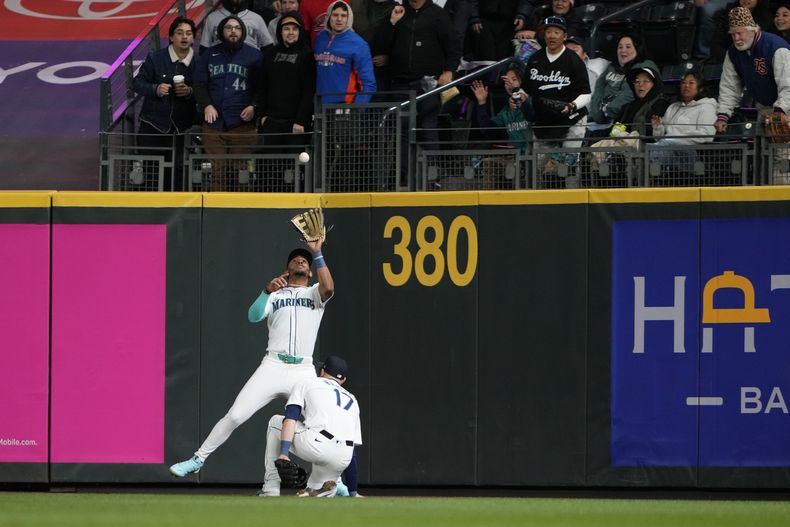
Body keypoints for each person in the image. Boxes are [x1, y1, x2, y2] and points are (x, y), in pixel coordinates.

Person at [170, 242, 334, 477]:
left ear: (310, 271)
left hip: (303, 369)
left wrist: (317, 253)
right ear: (286, 269)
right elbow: (253, 316)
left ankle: (332, 477)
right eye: (295, 259)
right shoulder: (274, 295)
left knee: (321, 421)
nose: (300, 260)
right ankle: (198, 459)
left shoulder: (314, 293)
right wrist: (265, 292)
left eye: (305, 261)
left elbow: (328, 288)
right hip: (273, 366)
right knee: (235, 415)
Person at [259, 355, 362, 497]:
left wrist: (283, 453)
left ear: (322, 371)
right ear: (343, 380)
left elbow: (290, 419)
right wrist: (353, 492)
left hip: (316, 445)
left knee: (275, 422)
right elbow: (353, 451)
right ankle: (325, 490)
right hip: (343, 457)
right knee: (313, 488)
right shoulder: (352, 399)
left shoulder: (307, 383)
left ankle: (271, 488)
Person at [714, 6, 790, 184]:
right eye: (732, 34)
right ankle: (765, 200)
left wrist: (781, 110)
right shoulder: (733, 52)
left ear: (752, 30)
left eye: (739, 33)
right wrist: (723, 115)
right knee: (761, 157)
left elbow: (788, 84)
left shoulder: (776, 47)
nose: (736, 38)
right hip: (763, 109)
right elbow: (729, 86)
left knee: (783, 157)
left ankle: (783, 202)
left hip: (786, 109)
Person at [193, 16, 263, 191]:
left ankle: (238, 213)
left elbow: (263, 86)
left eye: (237, 28)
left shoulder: (255, 55)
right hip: (213, 125)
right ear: (221, 32)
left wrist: (254, 106)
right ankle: (217, 212)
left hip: (242, 124)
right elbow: (199, 84)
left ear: (243, 32)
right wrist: (206, 105)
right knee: (218, 172)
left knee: (240, 173)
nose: (233, 31)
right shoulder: (210, 54)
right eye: (229, 28)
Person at [520, 15, 590, 187]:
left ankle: (574, 198)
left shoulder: (573, 60)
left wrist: (573, 105)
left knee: (569, 164)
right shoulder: (535, 59)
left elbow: (586, 94)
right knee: (538, 166)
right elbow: (525, 89)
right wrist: (519, 96)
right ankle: (539, 199)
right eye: (548, 32)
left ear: (564, 36)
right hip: (545, 119)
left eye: (556, 32)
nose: (551, 36)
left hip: (572, 118)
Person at [132, 17, 197, 191]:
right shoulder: (156, 58)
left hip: (183, 127)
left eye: (189, 33)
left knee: (177, 174)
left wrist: (190, 92)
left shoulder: (199, 61)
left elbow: (207, 89)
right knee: (152, 173)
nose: (184, 37)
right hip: (152, 124)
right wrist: (155, 89)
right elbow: (137, 83)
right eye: (179, 33)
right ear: (170, 37)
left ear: (193, 38)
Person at [257, 13, 315, 153]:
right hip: (271, 122)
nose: (290, 32)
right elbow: (263, 86)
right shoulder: (270, 54)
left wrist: (301, 120)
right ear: (280, 32)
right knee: (269, 168)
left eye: (294, 29)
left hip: (296, 124)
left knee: (296, 167)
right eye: (286, 29)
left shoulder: (307, 55)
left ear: (300, 32)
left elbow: (308, 91)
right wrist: (263, 116)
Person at [469, 61, 534, 187]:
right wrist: (482, 103)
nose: (509, 84)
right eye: (506, 81)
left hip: (533, 155)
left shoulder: (531, 100)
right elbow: (487, 131)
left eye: (514, 79)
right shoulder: (506, 110)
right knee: (489, 162)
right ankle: (489, 202)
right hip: (513, 156)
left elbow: (531, 115)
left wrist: (517, 91)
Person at [588, 33, 658, 136]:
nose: (623, 50)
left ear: (637, 49)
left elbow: (631, 91)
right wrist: (596, 112)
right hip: (602, 117)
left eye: (628, 47)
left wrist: (609, 109)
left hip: (625, 119)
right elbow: (599, 87)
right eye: (620, 47)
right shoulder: (612, 66)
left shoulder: (645, 66)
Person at [649, 71, 717, 175]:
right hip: (668, 149)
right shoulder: (673, 107)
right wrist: (658, 128)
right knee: (648, 147)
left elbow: (707, 135)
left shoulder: (707, 107)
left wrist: (676, 139)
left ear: (701, 88)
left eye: (691, 83)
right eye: (684, 83)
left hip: (691, 151)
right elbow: (659, 138)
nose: (686, 86)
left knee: (661, 146)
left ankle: (644, 176)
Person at [314, 1, 377, 104]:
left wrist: (357, 109)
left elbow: (368, 83)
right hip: (320, 105)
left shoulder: (359, 44)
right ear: (329, 16)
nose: (339, 19)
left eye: (343, 16)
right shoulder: (320, 38)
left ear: (349, 18)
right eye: (335, 15)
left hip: (345, 106)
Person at [466, 0, 539, 61]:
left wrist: (522, 14)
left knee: (503, 58)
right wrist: (474, 17)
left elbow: (527, 1)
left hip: (510, 23)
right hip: (482, 22)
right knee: (485, 57)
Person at [711, 0, 777, 62]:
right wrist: (732, 60)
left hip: (758, 62)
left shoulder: (766, 18)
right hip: (730, 59)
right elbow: (717, 45)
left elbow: (769, 47)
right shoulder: (728, 14)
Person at [201, 0, 275, 55]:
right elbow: (204, 50)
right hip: (219, 69)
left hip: (250, 69)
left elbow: (268, 48)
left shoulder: (257, 19)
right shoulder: (212, 18)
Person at [516, 0, 585, 43]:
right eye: (556, 0)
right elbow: (527, 30)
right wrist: (521, 34)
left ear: (570, 5)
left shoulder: (575, 20)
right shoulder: (541, 12)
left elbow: (562, 40)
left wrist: (535, 35)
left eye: (564, 1)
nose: (559, 3)